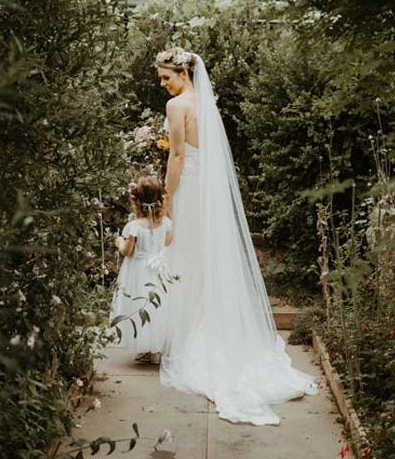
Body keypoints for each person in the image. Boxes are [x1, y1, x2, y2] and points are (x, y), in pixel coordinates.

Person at [156, 47, 317, 424]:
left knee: (187, 257)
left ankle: (189, 337)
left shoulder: (177, 108)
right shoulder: (206, 104)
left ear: (183, 72)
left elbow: (177, 157)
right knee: (204, 257)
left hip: (189, 190)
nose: (163, 85)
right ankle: (207, 330)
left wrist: (166, 199)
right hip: (206, 191)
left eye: (167, 77)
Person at [111, 174, 173, 365]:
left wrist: (119, 241)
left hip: (138, 271)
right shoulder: (167, 224)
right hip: (158, 269)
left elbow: (127, 252)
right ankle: (156, 350)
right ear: (160, 199)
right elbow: (168, 242)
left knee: (139, 305)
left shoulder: (134, 226)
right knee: (158, 307)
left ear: (136, 200)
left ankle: (147, 347)